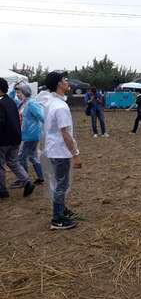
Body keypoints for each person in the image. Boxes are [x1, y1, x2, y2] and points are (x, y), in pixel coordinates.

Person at [41, 72, 82, 230]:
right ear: (59, 84)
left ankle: (61, 209)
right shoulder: (60, 107)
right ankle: (57, 219)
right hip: (60, 151)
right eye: (65, 80)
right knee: (61, 185)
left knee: (59, 182)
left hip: (53, 149)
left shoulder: (52, 102)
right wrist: (76, 154)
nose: (67, 82)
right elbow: (65, 134)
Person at [0, 78, 36, 198]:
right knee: (13, 162)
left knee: (1, 165)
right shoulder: (11, 102)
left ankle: (2, 190)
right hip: (16, 138)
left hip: (4, 140)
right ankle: (27, 182)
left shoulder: (1, 103)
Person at [15, 83, 45, 185]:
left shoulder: (31, 103)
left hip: (30, 135)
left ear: (25, 92)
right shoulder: (23, 103)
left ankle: (25, 179)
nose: (17, 94)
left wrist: (49, 128)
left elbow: (41, 116)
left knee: (20, 157)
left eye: (19, 92)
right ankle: (41, 177)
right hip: (27, 134)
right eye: (17, 92)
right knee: (32, 156)